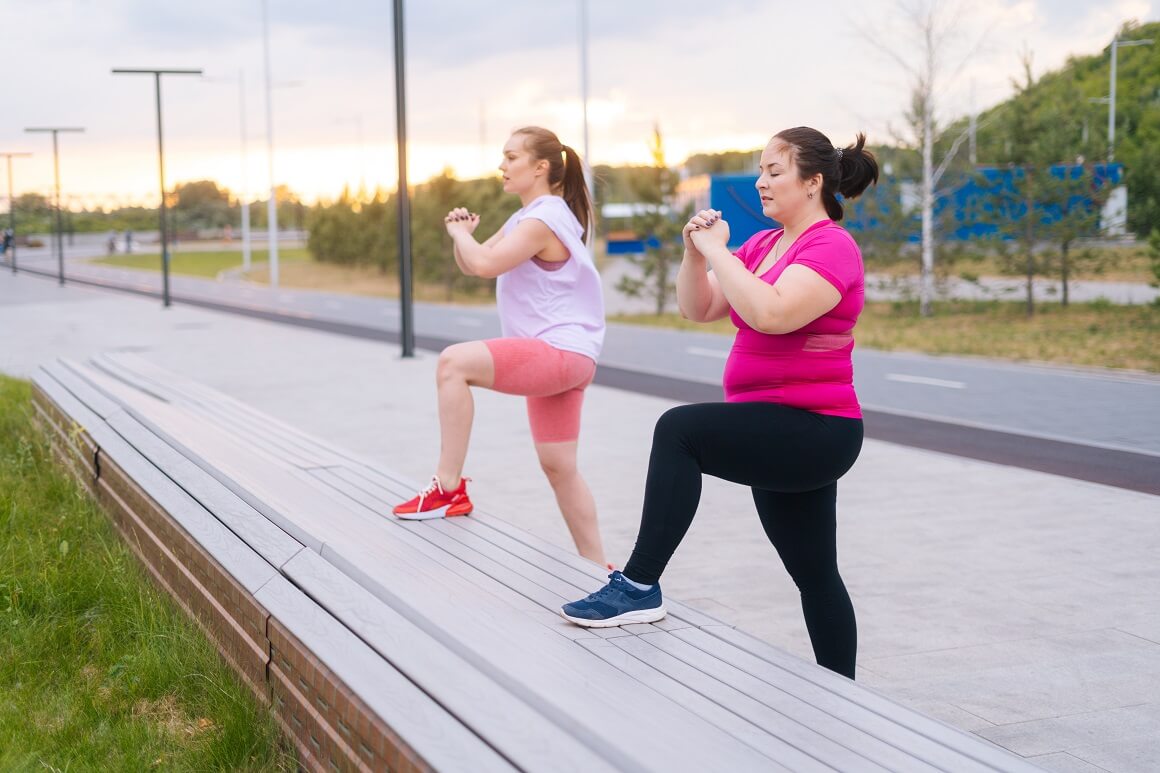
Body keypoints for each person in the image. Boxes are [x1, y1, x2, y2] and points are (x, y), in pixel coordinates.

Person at [561, 127, 879, 680]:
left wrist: (717, 251)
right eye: (760, 170)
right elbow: (699, 305)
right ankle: (844, 693)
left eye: (774, 171)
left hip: (815, 429)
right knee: (815, 573)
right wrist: (695, 256)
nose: (761, 182)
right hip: (778, 428)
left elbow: (773, 313)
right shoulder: (762, 245)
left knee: (681, 431)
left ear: (813, 182)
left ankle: (638, 584)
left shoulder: (831, 245)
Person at [392, 126, 610, 567]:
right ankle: (599, 565)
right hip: (571, 357)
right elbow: (474, 263)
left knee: (454, 363)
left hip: (558, 351)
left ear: (540, 167)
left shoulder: (542, 218)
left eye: (511, 157)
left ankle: (448, 487)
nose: (502, 166)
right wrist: (463, 235)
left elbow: (485, 263)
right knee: (559, 466)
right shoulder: (537, 215)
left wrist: (460, 236)